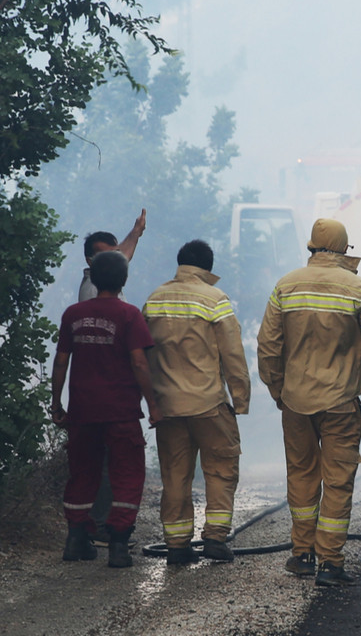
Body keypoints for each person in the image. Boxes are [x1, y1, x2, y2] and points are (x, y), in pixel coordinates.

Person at [257, 218, 361, 587]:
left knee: (302, 477)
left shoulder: (284, 286)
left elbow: (268, 346)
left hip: (295, 402)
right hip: (340, 403)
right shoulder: (359, 289)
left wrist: (277, 389)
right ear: (343, 249)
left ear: (311, 247)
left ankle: (302, 554)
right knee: (337, 481)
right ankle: (331, 563)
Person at [49, 250, 163, 568]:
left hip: (82, 412)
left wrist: (57, 403)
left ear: (93, 278)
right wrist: (153, 405)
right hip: (121, 412)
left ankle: (76, 540)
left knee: (82, 473)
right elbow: (139, 362)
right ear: (124, 280)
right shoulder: (129, 316)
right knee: (126, 473)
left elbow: (61, 361)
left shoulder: (73, 314)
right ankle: (118, 546)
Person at [142, 240, 251, 565]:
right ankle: (215, 539)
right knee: (220, 468)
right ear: (208, 267)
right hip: (209, 403)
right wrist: (240, 399)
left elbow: (142, 355)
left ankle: (177, 545)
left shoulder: (154, 299)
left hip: (168, 406)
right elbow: (233, 354)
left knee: (175, 475)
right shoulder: (215, 300)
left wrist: (149, 400)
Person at [77, 208, 146, 540]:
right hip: (110, 396)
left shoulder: (100, 287)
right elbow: (137, 358)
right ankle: (105, 526)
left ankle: (92, 528)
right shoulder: (95, 295)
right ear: (91, 261)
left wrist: (136, 233)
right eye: (109, 256)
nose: (117, 261)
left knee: (101, 463)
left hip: (92, 397)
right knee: (108, 465)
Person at [79, 208, 147, 302]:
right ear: (89, 261)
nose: (113, 260)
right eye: (106, 257)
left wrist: (137, 230)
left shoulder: (107, 277)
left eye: (114, 253)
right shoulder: (92, 290)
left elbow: (123, 255)